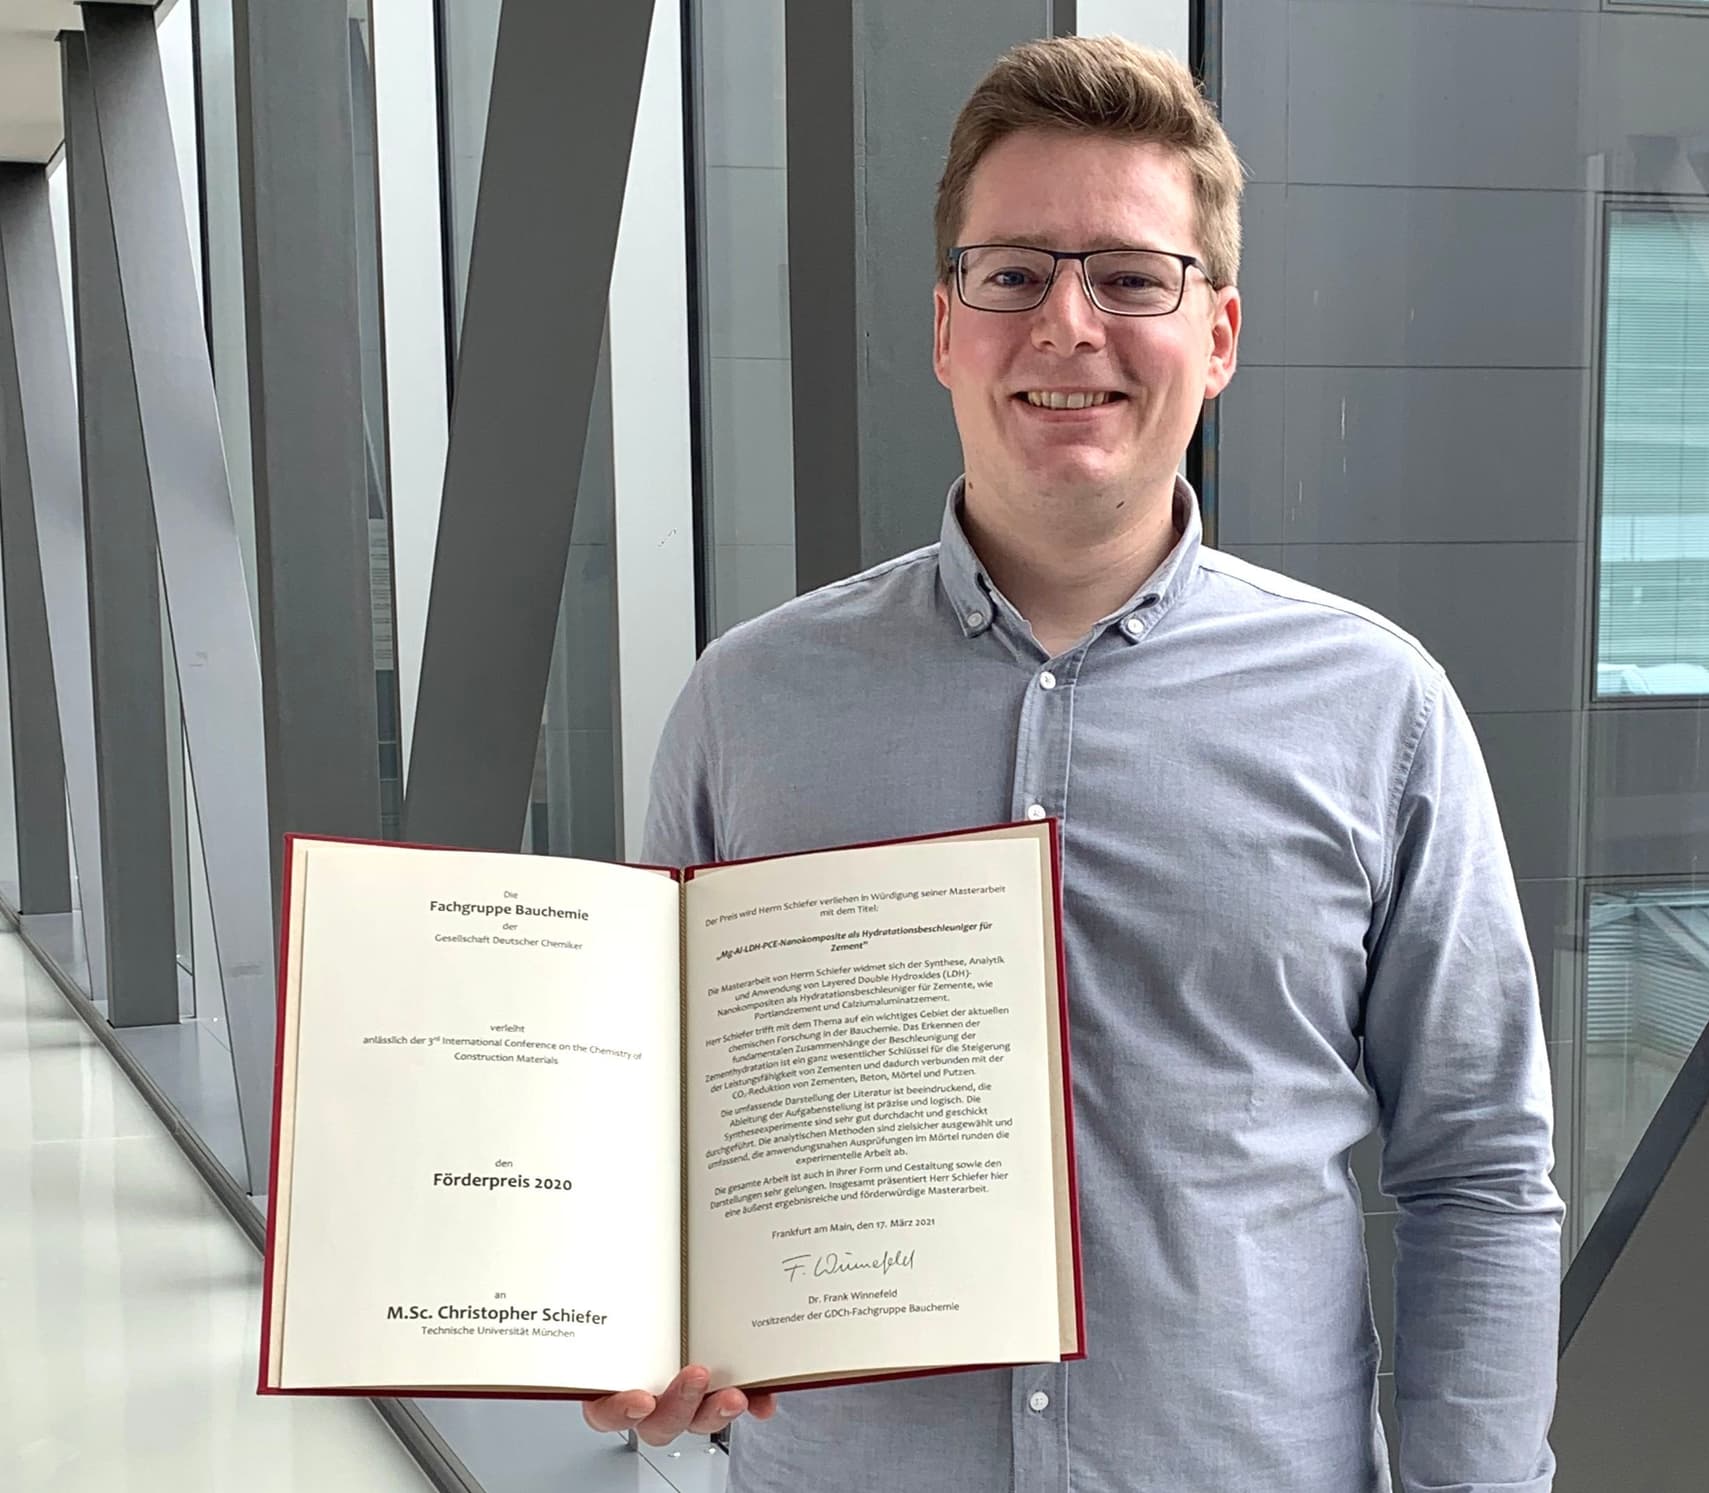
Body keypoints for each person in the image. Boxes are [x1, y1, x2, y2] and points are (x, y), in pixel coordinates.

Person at [584, 33, 1562, 1493]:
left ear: (1218, 336)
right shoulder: (751, 703)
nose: (1066, 323)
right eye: (1012, 274)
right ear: (945, 326)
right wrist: (629, 1336)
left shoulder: (1380, 709)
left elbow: (1478, 1171)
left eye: (1130, 277)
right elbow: (648, 1137)